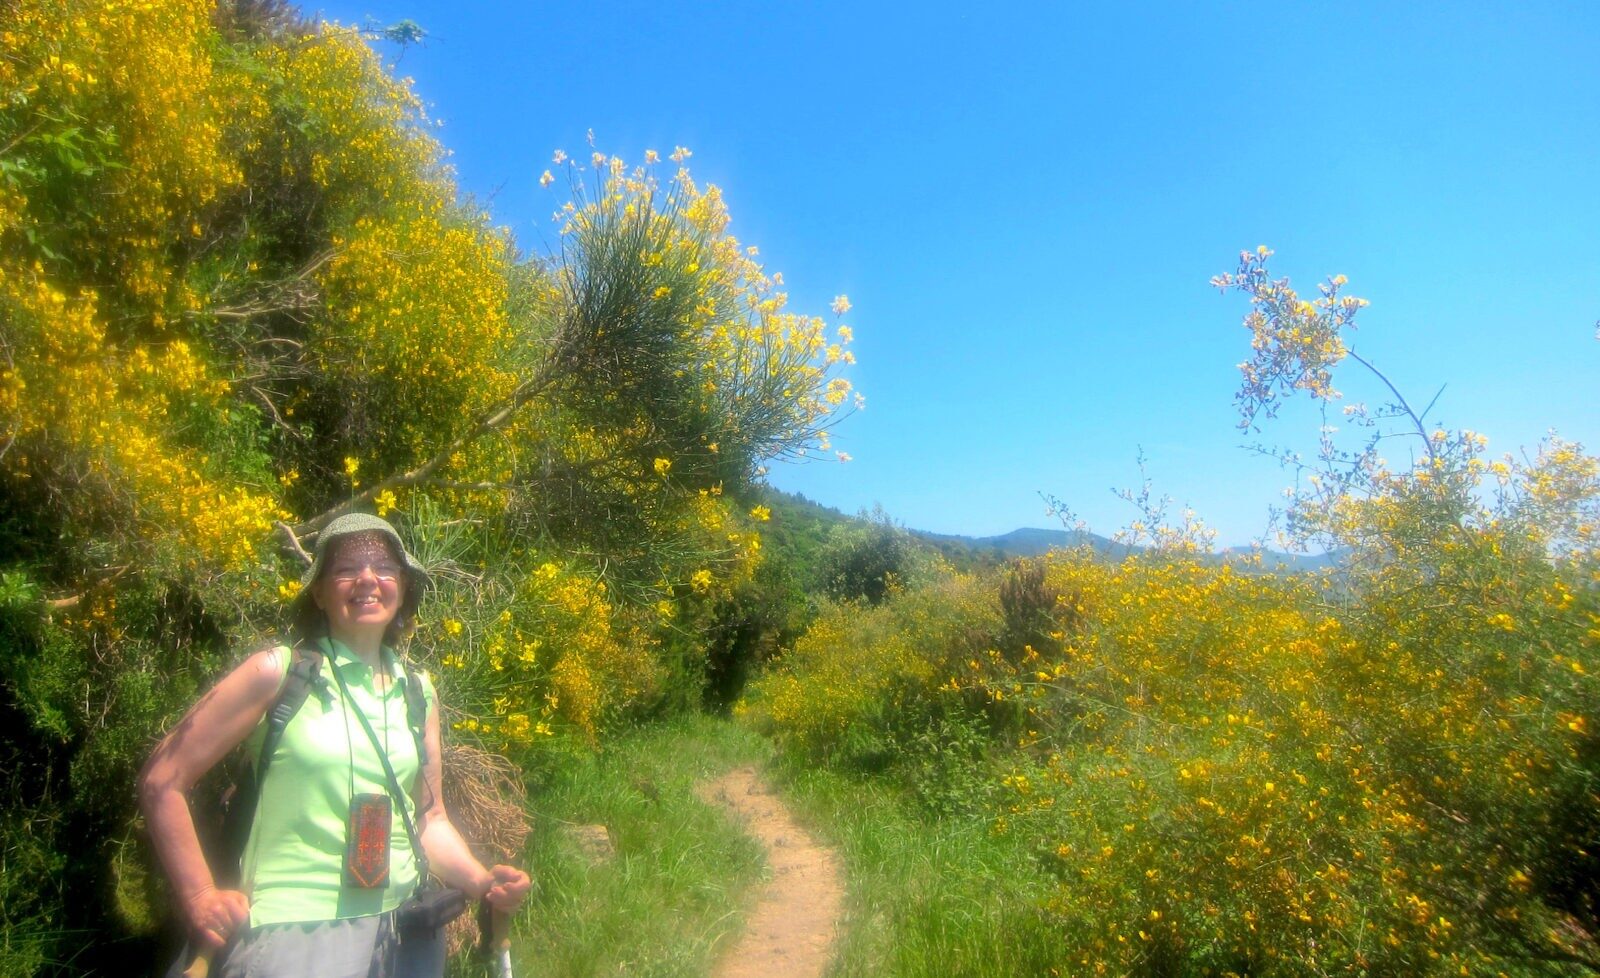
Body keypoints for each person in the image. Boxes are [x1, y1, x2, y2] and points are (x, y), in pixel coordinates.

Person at [140, 513, 531, 977]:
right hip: (295, 934)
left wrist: (483, 881)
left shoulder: (417, 690)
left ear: (403, 588)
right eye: (345, 568)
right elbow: (162, 779)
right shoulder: (278, 672)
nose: (367, 577)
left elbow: (429, 818)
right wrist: (201, 897)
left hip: (408, 933)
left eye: (384, 567)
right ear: (319, 593)